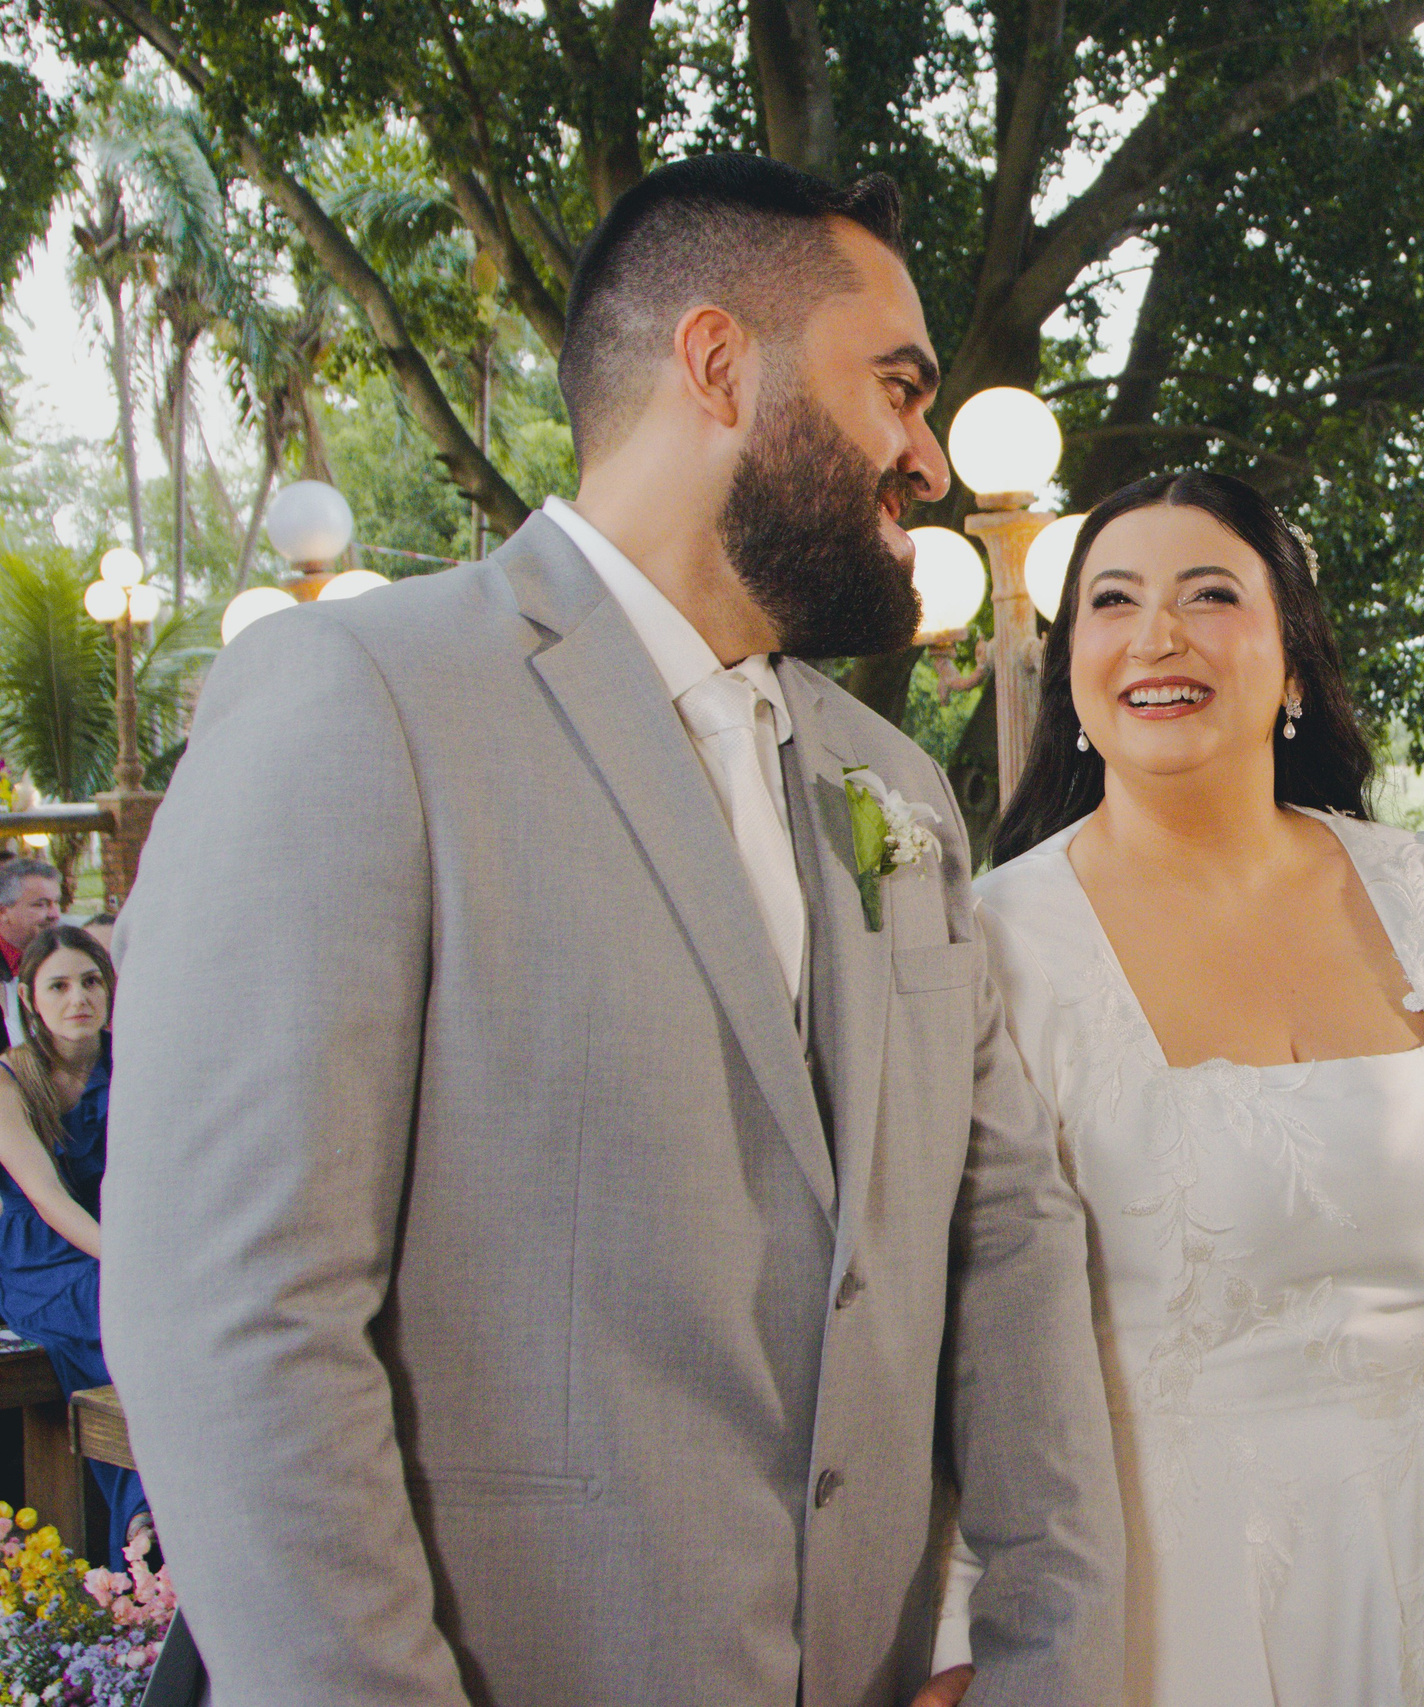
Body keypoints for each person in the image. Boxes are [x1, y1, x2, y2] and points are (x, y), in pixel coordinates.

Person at [101, 156, 1121, 1707]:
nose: (923, 457)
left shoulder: (895, 784)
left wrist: (1050, 1663)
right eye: (898, 389)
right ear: (718, 363)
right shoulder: (358, 701)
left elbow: (1009, 1238)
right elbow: (237, 1317)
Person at [935, 470, 1424, 1707]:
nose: (1158, 635)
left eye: (1209, 594)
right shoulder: (990, 944)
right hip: (1164, 1599)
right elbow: (950, 1324)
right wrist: (953, 1634)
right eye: (1113, 601)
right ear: (1071, 668)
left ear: (1295, 660)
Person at [0, 923, 144, 1550]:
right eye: (57, 986)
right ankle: (143, 1520)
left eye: (91, 981)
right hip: (38, 1255)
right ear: (29, 998)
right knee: (119, 1307)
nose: (78, 998)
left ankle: (145, 1522)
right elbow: (47, 1197)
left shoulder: (133, 1064)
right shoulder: (10, 1079)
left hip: (119, 1244)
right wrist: (131, 1265)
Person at [0, 858, 63, 1048]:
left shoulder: (64, 955)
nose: (54, 914)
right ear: (3, 912)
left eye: (56, 903)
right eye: (40, 904)